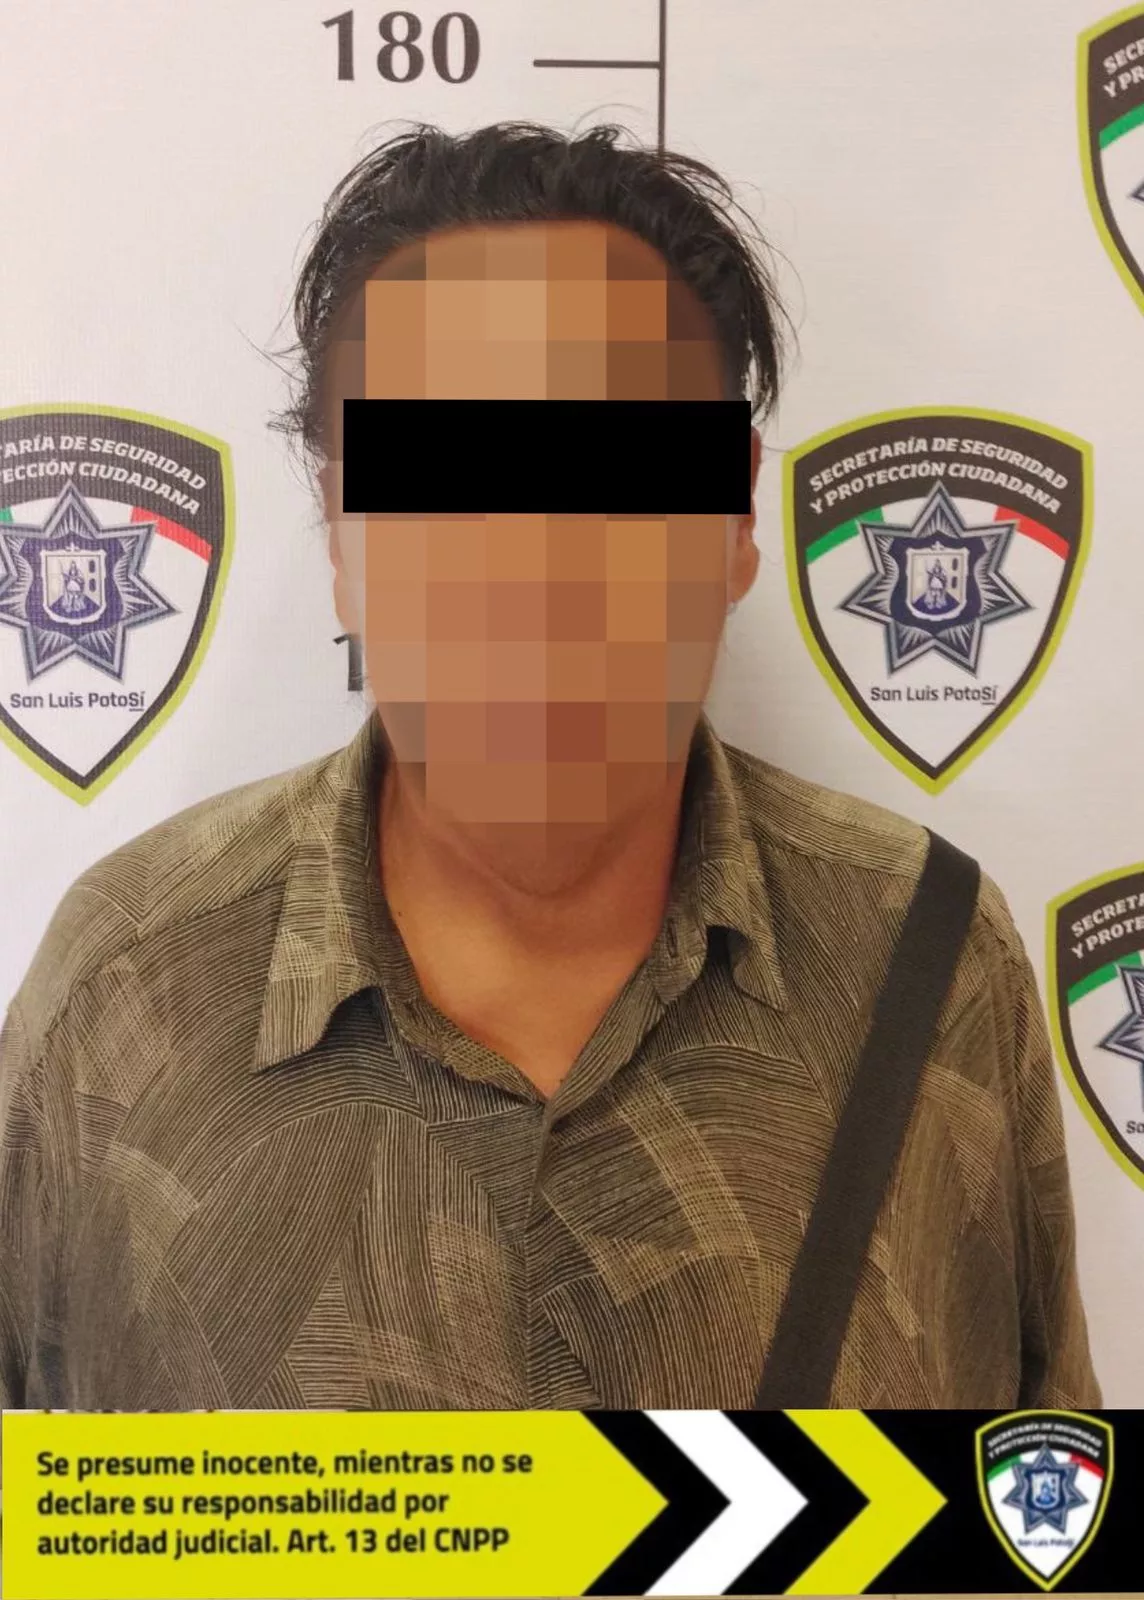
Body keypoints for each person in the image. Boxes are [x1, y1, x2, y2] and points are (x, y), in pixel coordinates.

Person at [0, 122, 1100, 1410]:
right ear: (342, 536)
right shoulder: (126, 990)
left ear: (736, 516)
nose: (530, 562)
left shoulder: (927, 957)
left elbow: (1039, 1491)